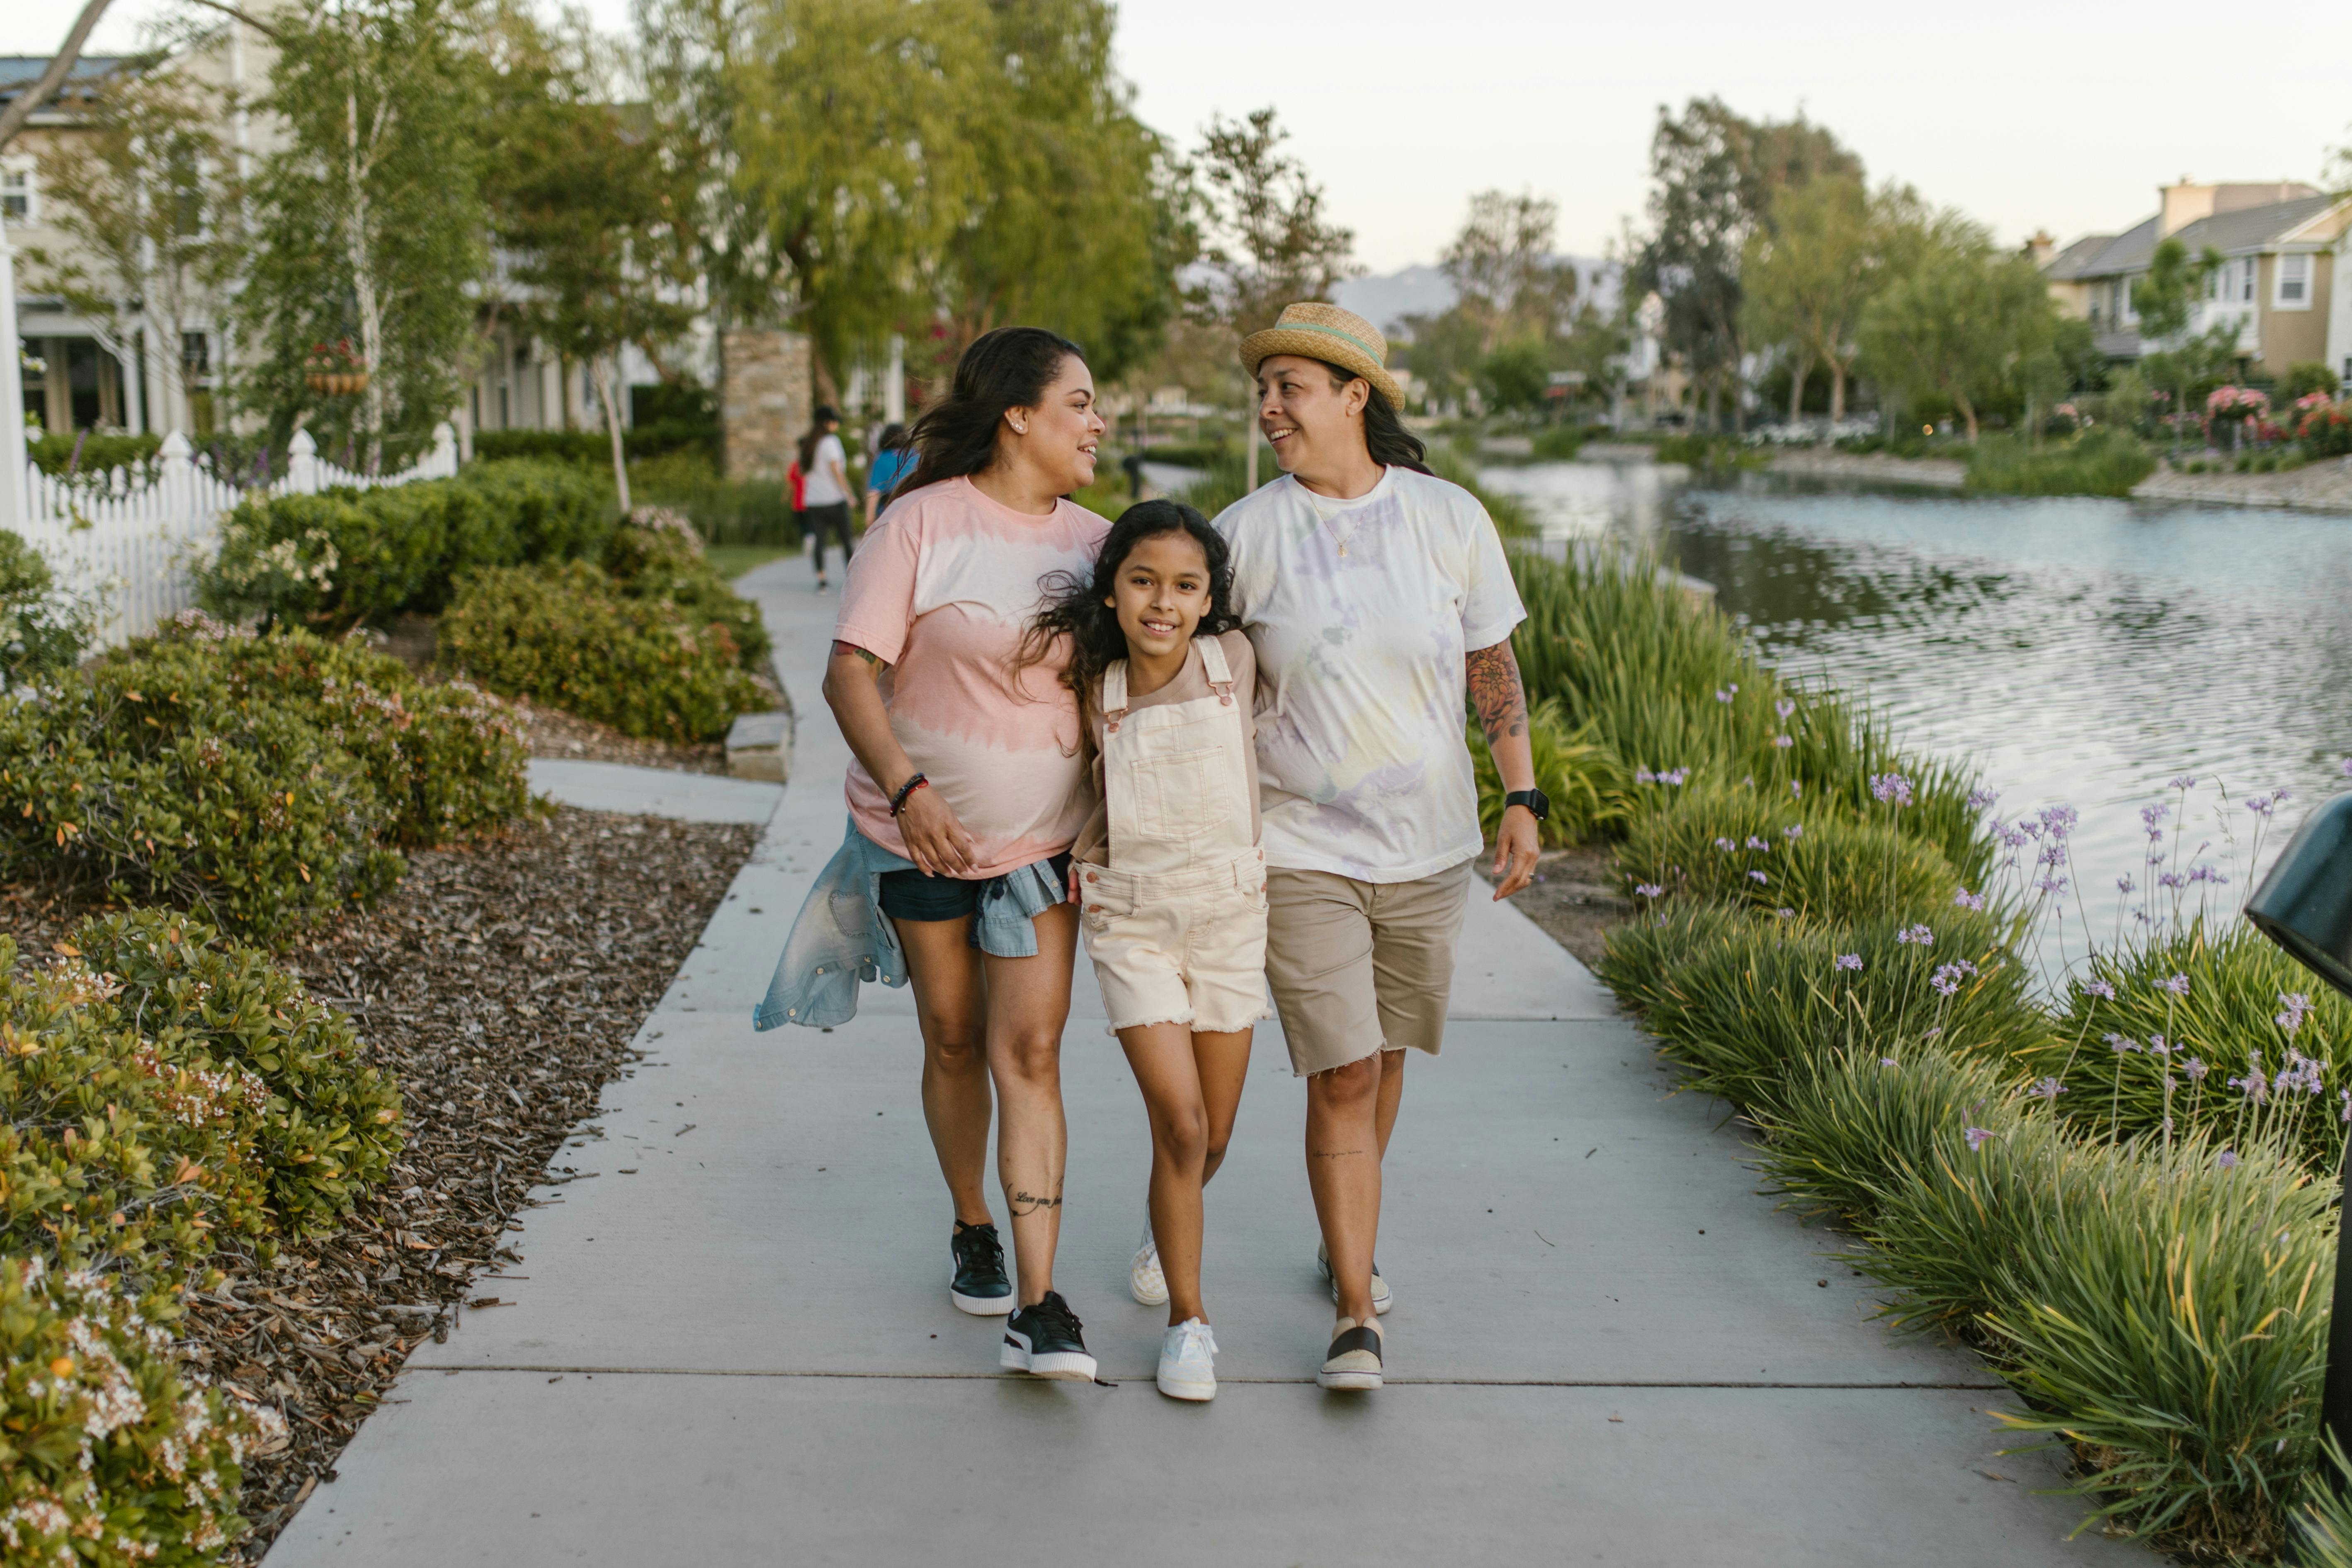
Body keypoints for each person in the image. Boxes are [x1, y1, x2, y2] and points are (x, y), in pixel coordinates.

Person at [755, 327, 1109, 1384]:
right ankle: (972, 1226)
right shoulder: (917, 526)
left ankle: (1041, 1305)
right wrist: (910, 795)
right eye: (1079, 404)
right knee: (954, 1041)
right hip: (911, 838)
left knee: (1031, 1054)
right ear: (1018, 416)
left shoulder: (1098, 542)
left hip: (1044, 849)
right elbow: (850, 674)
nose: (1097, 423)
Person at [1214, 301, 1543, 1393]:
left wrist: (1522, 794)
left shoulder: (1448, 520)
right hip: (1301, 845)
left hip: (1428, 845)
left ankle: (1338, 1230)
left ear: (1356, 394)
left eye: (1290, 386)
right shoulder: (1245, 534)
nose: (1270, 407)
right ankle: (1356, 1311)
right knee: (1345, 1065)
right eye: (1263, 389)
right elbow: (1200, 681)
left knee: (1388, 1054)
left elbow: (1490, 665)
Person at [1019, 500, 1264, 1402]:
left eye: (1185, 585)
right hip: (1133, 923)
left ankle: (1166, 1221)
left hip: (1232, 918)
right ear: (1113, 589)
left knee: (1216, 1135)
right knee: (1184, 1124)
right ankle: (1189, 1326)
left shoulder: (1235, 663)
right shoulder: (1094, 683)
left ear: (1209, 601)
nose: (1163, 601)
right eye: (1143, 581)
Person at [799, 405, 855, 591]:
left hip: (814, 500)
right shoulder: (830, 442)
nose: (836, 424)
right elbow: (836, 471)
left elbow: (802, 471)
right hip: (834, 498)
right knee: (846, 539)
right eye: (834, 421)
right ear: (827, 423)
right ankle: (853, 577)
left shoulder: (808, 444)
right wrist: (849, 493)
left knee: (820, 540)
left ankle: (822, 579)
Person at [864, 421, 915, 528]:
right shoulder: (915, 455)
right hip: (914, 509)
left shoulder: (882, 459)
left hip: (890, 513)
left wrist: (869, 519)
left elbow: (874, 491)